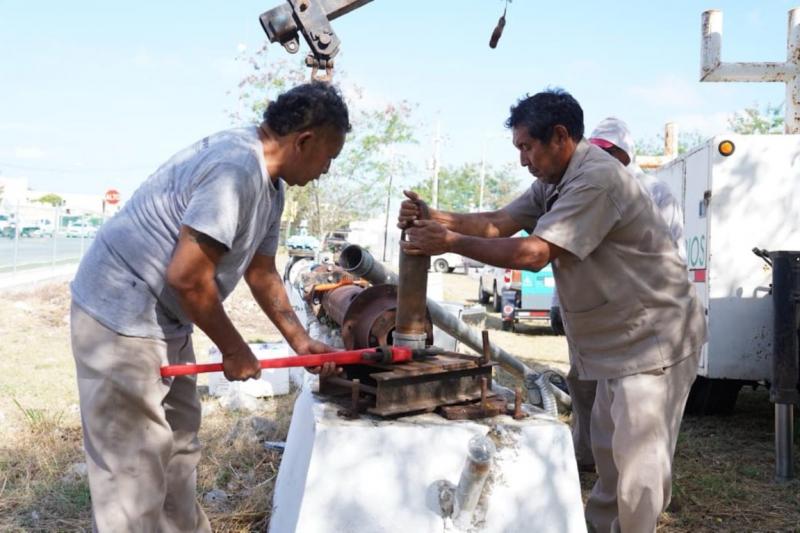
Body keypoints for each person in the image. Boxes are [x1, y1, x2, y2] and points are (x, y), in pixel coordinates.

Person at [398, 88, 706, 533]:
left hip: (653, 340)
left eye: (527, 146)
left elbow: (534, 253)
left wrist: (449, 243)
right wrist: (437, 215)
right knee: (609, 458)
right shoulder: (552, 182)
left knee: (640, 471)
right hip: (616, 342)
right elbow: (500, 222)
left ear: (559, 136)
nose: (523, 159)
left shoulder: (597, 179)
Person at [70, 81, 349, 532]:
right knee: (133, 467)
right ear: (304, 141)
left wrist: (301, 342)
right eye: (329, 157)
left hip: (164, 317)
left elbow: (261, 272)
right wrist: (235, 350)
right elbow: (187, 276)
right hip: (119, 311)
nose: (326, 170)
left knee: (179, 446)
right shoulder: (236, 167)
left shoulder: (271, 188)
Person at [559, 116, 687, 473]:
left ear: (625, 155)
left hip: (638, 315)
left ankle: (644, 475)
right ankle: (587, 457)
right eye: (596, 152)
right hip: (590, 311)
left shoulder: (654, 191)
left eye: (610, 153)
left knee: (638, 406)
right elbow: (564, 250)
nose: (602, 159)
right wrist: (559, 304)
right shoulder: (580, 188)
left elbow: (672, 252)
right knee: (586, 387)